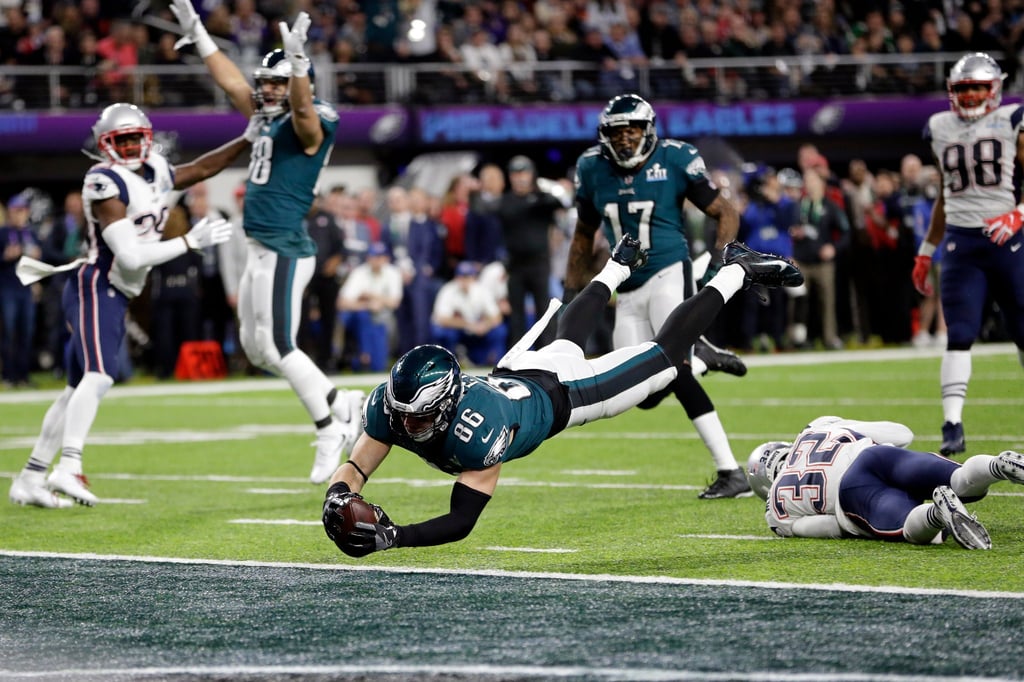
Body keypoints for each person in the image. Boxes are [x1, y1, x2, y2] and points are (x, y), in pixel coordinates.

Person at [321, 237, 804, 557]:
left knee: (666, 354)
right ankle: (616, 268)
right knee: (569, 338)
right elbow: (358, 467)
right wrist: (340, 495)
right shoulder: (393, 403)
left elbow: (462, 520)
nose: (408, 427)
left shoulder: (479, 428)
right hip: (516, 367)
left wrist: (394, 538)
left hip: (568, 395)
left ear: (448, 404)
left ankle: (734, 272)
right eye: (404, 416)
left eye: (420, 418)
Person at [8, 102, 253, 508]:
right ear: (105, 145)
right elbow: (132, 256)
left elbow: (201, 168)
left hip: (116, 290)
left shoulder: (156, 169)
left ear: (147, 137)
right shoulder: (103, 181)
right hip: (95, 283)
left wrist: (248, 139)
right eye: (120, 140)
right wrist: (191, 241)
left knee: (75, 390)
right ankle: (68, 465)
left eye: (135, 138)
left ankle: (30, 478)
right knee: (100, 377)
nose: (129, 147)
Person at [171, 2, 364, 483]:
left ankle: (328, 427)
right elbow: (233, 83)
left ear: (301, 80)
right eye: (268, 82)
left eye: (277, 82)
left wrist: (297, 65)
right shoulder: (265, 117)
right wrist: (200, 36)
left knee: (279, 344)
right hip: (260, 247)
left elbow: (302, 110)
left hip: (284, 248)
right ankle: (344, 402)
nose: (268, 90)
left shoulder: (311, 119)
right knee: (256, 350)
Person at [565, 93, 750, 500]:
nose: (626, 139)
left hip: (669, 271)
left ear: (648, 131)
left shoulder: (676, 158)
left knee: (673, 364)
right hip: (627, 286)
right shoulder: (592, 168)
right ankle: (703, 358)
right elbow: (583, 234)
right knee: (637, 392)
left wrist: (720, 263)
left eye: (632, 130)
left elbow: (726, 212)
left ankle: (729, 470)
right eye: (617, 132)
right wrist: (569, 291)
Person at [913, 52, 1024, 456]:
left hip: (1006, 239)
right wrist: (927, 250)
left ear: (994, 88)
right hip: (962, 243)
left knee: (1023, 333)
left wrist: (1018, 213)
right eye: (964, 88)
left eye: (979, 87)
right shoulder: (938, 128)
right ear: (951, 92)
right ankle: (952, 424)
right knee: (958, 334)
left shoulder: (1011, 119)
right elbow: (944, 195)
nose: (973, 95)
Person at [746, 415, 1024, 550]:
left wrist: (855, 526)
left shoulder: (776, 509)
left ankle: (937, 513)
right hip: (875, 456)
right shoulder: (817, 428)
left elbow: (828, 526)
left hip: (852, 488)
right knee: (960, 479)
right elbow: (903, 434)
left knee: (909, 527)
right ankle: (996, 466)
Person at [0, 191, 42, 388]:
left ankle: (23, 375)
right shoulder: (2, 233)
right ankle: (9, 375)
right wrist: (5, 257)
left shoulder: (31, 234)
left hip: (25, 289)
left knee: (27, 333)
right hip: (8, 288)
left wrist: (36, 280)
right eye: (16, 211)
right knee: (9, 333)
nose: (19, 214)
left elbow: (38, 260)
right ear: (10, 212)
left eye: (22, 211)